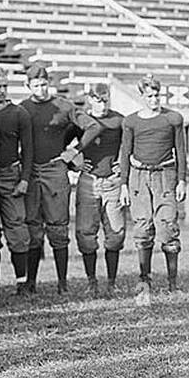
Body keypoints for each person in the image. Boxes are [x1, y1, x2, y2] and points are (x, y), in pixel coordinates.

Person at [119, 74, 187, 297]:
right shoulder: (131, 121)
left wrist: (182, 180)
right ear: (142, 96)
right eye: (149, 95)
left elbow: (181, 151)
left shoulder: (173, 118)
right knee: (142, 226)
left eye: (157, 94)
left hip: (165, 174)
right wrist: (123, 185)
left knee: (167, 226)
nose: (154, 99)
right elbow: (125, 153)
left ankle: (173, 283)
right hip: (138, 176)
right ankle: (144, 280)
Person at [21, 64, 81, 294]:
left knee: (58, 227)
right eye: (36, 85)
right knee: (33, 228)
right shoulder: (23, 109)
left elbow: (87, 127)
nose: (41, 89)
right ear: (28, 86)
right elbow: (4, 140)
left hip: (55, 169)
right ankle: (30, 282)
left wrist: (72, 152)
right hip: (30, 170)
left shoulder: (63, 106)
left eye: (44, 84)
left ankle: (62, 283)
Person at [72, 82, 125, 298]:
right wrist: (74, 163)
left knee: (115, 233)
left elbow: (129, 145)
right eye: (98, 100)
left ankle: (112, 282)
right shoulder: (81, 121)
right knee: (86, 233)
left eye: (105, 99)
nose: (102, 104)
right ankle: (91, 281)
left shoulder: (119, 120)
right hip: (88, 181)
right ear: (90, 99)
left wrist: (122, 162)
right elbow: (61, 145)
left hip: (112, 180)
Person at [0, 72, 34, 296]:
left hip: (11, 173)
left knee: (17, 229)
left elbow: (27, 148)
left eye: (4, 86)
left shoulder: (19, 113)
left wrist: (24, 178)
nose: (1, 90)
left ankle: (21, 281)